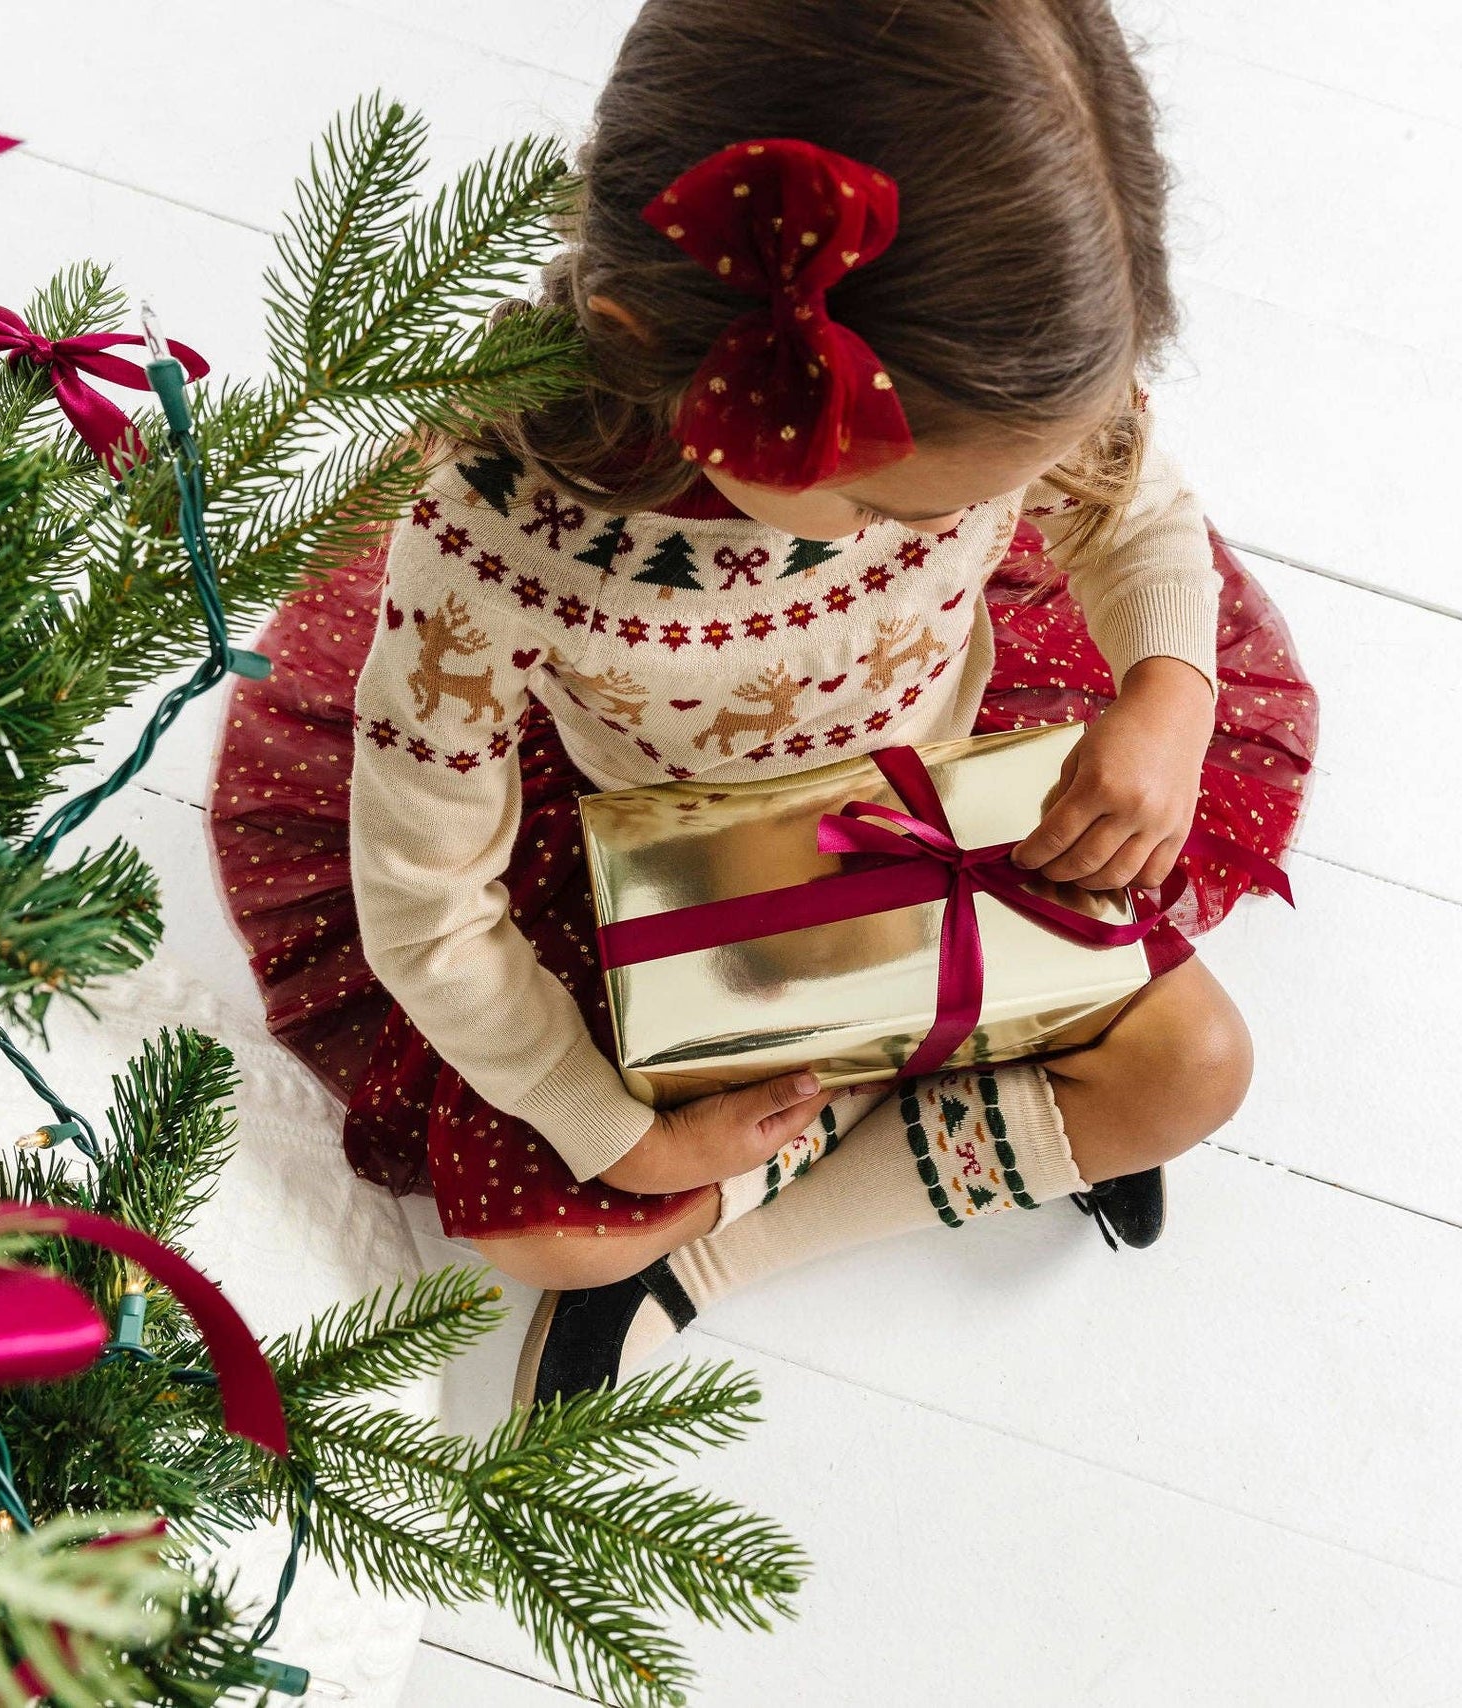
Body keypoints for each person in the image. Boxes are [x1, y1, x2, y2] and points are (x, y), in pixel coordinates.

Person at [209, 0, 1316, 1407]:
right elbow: (426, 906)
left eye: (982, 499)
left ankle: (720, 1258)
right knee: (548, 1232)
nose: (911, 534)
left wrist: (1163, 692)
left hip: (943, 796)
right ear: (652, 350)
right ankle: (940, 1113)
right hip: (656, 871)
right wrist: (627, 1140)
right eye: (872, 502)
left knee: (1198, 1069)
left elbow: (1129, 510)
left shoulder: (986, 379)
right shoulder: (494, 553)